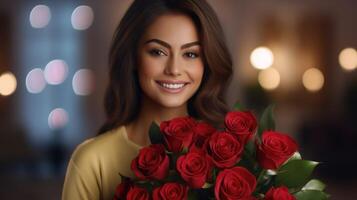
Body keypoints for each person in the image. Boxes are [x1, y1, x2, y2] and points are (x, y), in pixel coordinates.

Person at [61, 0, 232, 199]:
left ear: (208, 62)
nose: (174, 69)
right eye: (157, 52)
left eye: (191, 54)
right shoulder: (92, 160)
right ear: (133, 57)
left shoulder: (227, 154)